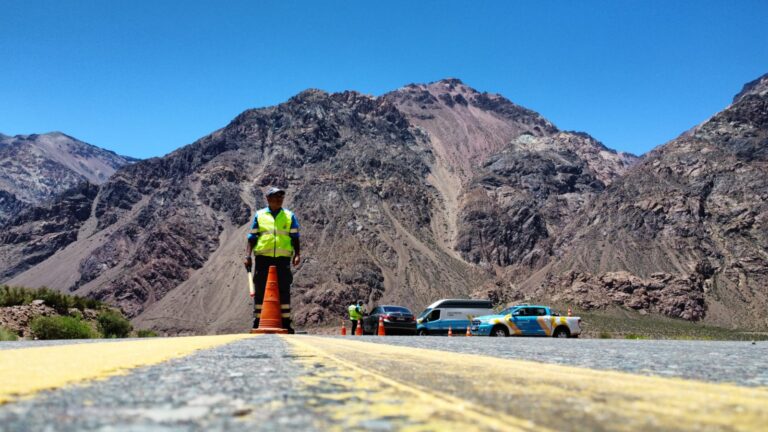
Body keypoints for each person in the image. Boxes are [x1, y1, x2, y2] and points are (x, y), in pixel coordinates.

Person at [244, 186, 301, 333]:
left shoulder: (289, 216)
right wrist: (247, 256)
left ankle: (286, 322)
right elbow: (252, 238)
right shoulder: (260, 215)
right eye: (275, 197)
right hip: (263, 259)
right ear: (268, 199)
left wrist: (297, 254)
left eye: (281, 197)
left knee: (284, 289)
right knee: (261, 289)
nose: (278, 200)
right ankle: (258, 320)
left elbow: (295, 237)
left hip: (283, 259)